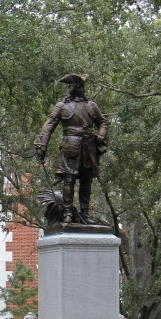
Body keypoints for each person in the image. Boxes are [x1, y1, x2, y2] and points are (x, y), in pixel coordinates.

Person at [34, 73, 109, 224]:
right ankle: (67, 212)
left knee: (86, 181)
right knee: (69, 179)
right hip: (70, 146)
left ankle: (85, 213)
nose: (74, 89)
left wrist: (101, 136)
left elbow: (103, 122)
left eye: (76, 86)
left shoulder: (91, 106)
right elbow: (49, 125)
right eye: (73, 86)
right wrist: (42, 146)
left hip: (89, 147)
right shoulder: (61, 106)